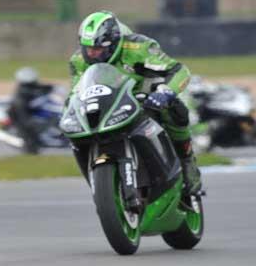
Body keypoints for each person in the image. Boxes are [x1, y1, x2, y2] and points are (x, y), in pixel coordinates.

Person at [69, 10, 202, 194]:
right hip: (109, 103)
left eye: (99, 50)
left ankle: (188, 162)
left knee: (175, 111)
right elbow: (76, 92)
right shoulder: (78, 60)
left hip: (146, 95)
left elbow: (179, 70)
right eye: (88, 49)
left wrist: (166, 92)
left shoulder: (138, 48)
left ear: (114, 43)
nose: (93, 54)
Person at [8, 67, 54, 151]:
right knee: (28, 125)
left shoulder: (32, 85)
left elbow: (41, 88)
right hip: (21, 113)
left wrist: (51, 88)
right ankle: (30, 146)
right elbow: (33, 91)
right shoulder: (22, 90)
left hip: (31, 109)